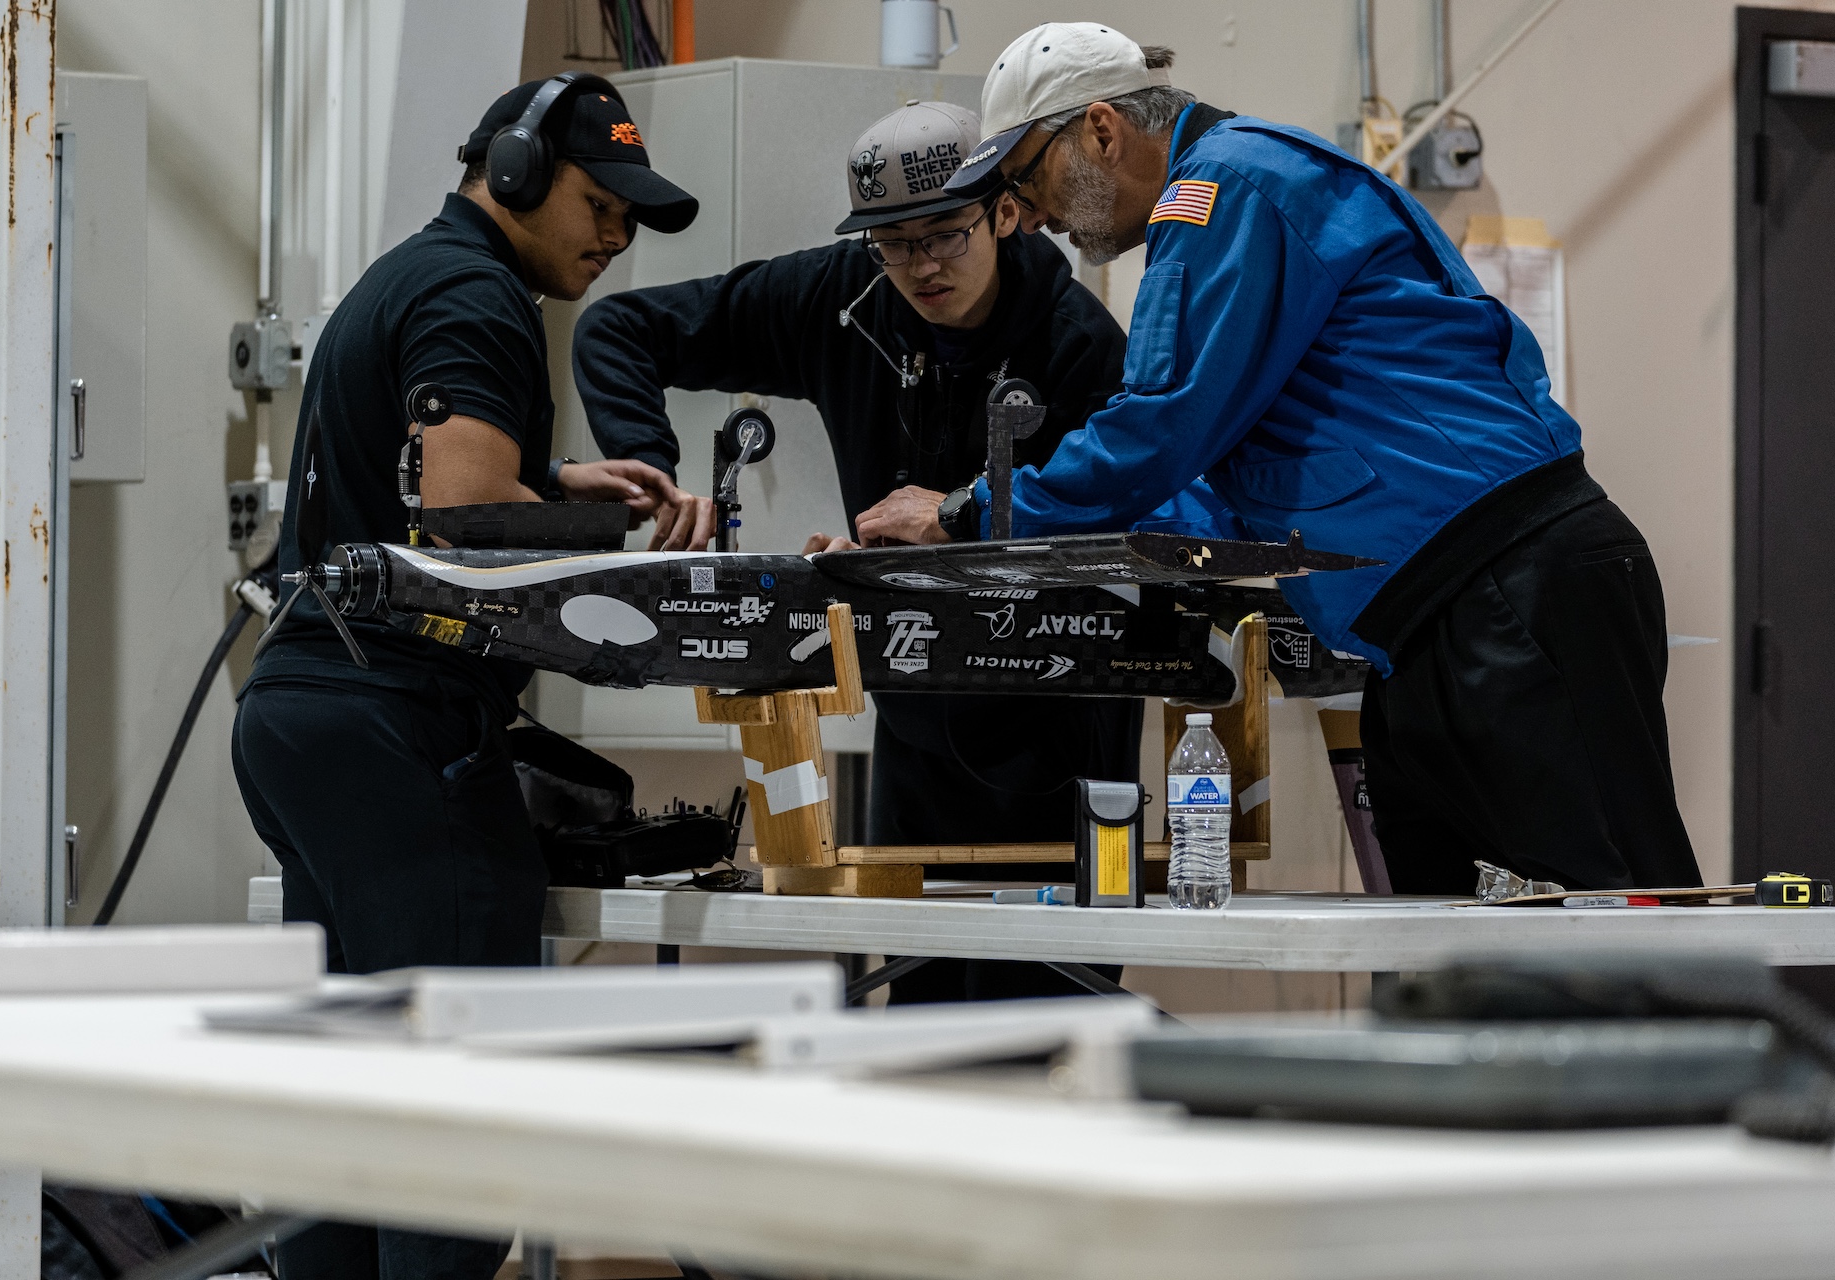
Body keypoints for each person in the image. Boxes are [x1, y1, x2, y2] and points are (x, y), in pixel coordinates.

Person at [924, 22, 1698, 897]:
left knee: (1619, 921)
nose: (1030, 216)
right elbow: (1236, 482)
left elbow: (1159, 430)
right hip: (1437, 618)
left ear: (1101, 129)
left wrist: (973, 513)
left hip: (1504, 589)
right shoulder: (1243, 182)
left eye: (1027, 177)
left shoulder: (1225, 187)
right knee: (1444, 937)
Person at [231, 77, 699, 1280]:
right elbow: (463, 520)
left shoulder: (408, 274)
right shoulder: (474, 292)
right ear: (516, 171)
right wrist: (623, 557)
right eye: (600, 205)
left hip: (301, 708)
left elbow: (433, 490)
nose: (614, 238)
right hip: (394, 720)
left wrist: (553, 477)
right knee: (450, 1105)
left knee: (349, 1094)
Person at [573, 100, 1138, 1002]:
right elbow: (619, 331)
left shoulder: (1082, 348)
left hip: (1056, 731)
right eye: (892, 242)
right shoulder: (843, 297)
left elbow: (1125, 531)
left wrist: (955, 525)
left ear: (1004, 210)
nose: (919, 267)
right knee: (915, 1021)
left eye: (944, 236)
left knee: (1048, 1017)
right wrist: (654, 469)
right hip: (912, 724)